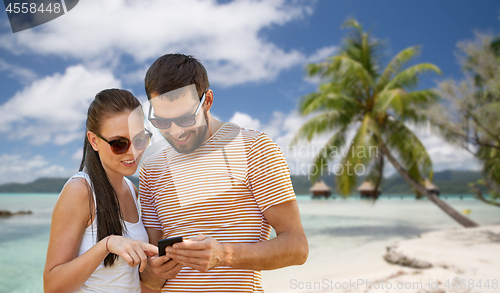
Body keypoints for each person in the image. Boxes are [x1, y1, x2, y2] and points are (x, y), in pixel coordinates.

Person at [139, 54, 309, 292]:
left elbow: (297, 247)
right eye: (162, 122)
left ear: (207, 100)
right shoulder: (151, 169)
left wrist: (225, 255)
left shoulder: (255, 148)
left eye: (186, 118)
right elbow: (150, 270)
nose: (175, 132)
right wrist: (151, 272)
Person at [43, 89, 159, 293]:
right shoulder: (80, 191)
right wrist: (106, 245)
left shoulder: (132, 190)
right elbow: (52, 286)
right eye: (120, 143)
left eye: (140, 139)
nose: (133, 151)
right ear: (94, 141)